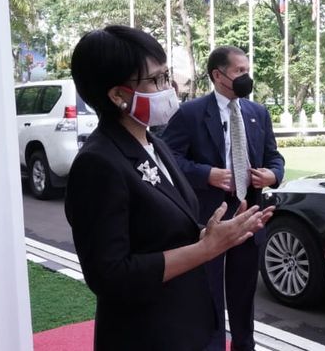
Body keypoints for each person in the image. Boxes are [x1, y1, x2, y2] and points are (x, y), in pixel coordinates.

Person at [65, 25, 274, 350]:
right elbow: (111, 276)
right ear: (118, 95)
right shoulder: (98, 163)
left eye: (167, 76)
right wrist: (205, 249)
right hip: (148, 334)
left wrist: (212, 233)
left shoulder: (152, 142)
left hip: (189, 323)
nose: (168, 88)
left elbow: (167, 231)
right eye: (156, 80)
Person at [162, 45, 285, 351]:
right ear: (218, 75)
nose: (246, 77)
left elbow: (275, 157)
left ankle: (245, 346)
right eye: (239, 71)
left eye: (247, 69)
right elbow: (168, 157)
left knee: (243, 295)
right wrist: (207, 174)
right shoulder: (190, 113)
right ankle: (213, 345)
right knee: (210, 294)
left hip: (249, 216)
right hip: (209, 218)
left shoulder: (258, 113)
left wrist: (272, 175)